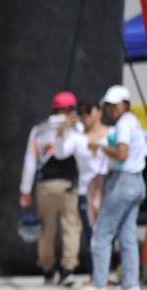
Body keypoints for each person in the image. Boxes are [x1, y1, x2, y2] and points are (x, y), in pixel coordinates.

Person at [72, 85, 146, 290]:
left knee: (101, 234)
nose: (111, 110)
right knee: (127, 236)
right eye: (109, 106)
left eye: (114, 105)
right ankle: (131, 287)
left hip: (122, 182)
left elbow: (122, 154)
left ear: (124, 104)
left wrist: (101, 147)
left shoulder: (123, 124)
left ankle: (98, 285)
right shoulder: (134, 122)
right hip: (137, 181)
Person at [19, 91, 81, 287]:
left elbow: (30, 160)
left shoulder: (39, 130)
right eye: (72, 108)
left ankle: (47, 269)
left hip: (45, 186)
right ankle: (68, 269)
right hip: (68, 186)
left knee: (46, 229)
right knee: (71, 227)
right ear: (66, 109)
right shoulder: (76, 127)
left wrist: (25, 190)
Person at [54, 101, 109, 274]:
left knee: (112, 235)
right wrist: (62, 131)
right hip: (87, 192)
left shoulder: (112, 133)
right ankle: (96, 277)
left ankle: (111, 273)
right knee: (92, 236)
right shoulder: (77, 138)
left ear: (99, 112)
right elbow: (60, 153)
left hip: (109, 191)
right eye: (81, 113)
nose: (85, 116)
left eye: (88, 111)